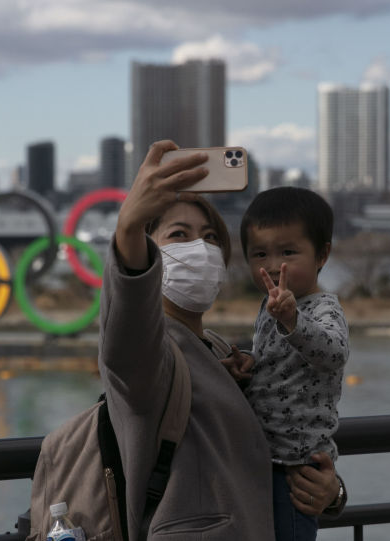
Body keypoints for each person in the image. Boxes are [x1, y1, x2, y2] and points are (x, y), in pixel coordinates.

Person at [99, 140, 345, 541]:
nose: (200, 247)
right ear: (149, 250)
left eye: (211, 236)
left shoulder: (218, 351)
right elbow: (123, 338)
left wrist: (331, 492)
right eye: (179, 234)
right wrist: (128, 226)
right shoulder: (147, 352)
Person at [224, 186, 349, 541]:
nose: (272, 265)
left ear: (322, 255)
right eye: (259, 253)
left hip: (296, 464)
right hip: (264, 456)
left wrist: (293, 322)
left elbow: (334, 353)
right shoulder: (269, 306)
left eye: (288, 252)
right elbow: (276, 362)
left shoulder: (323, 308)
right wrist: (248, 365)